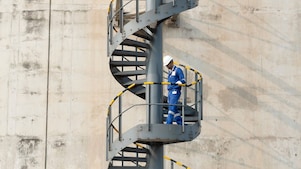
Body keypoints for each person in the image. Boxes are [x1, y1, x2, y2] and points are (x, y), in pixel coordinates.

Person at [163, 55, 186, 125]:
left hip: (175, 91)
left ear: (171, 62)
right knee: (173, 109)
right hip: (170, 92)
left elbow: (183, 80)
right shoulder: (170, 72)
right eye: (166, 65)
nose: (167, 67)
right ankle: (180, 123)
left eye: (167, 65)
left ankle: (168, 123)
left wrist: (179, 82)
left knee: (172, 108)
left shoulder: (178, 70)